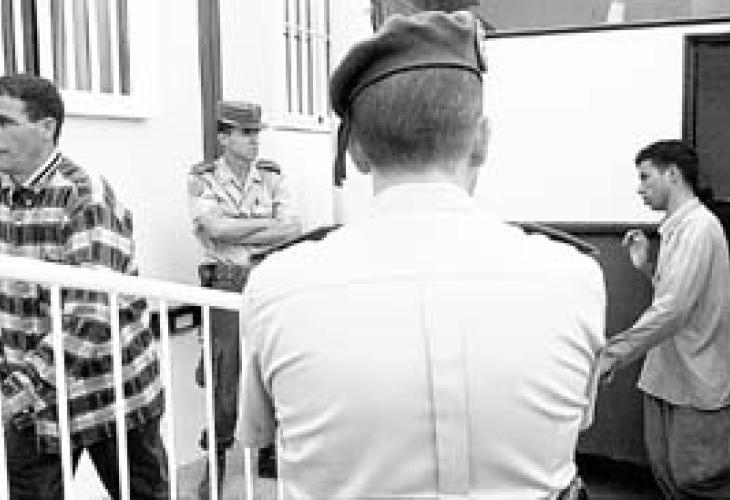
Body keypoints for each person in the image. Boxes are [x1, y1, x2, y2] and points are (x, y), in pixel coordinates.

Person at [240, 11, 606, 499]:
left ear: (357, 151)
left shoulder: (276, 286)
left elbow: (258, 432)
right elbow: (580, 418)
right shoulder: (574, 279)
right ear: (481, 141)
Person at [0, 73, 168, 499]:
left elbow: (91, 314)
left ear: (47, 127)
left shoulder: (85, 195)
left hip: (110, 397)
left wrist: (17, 392)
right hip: (34, 410)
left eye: (4, 122)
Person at [598, 140, 730, 499]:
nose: (639, 189)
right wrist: (646, 267)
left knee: (694, 479)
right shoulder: (676, 228)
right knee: (666, 473)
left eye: (645, 177)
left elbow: (674, 309)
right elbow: (677, 297)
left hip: (696, 379)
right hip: (666, 376)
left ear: (672, 174)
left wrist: (613, 354)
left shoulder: (700, 228)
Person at [187, 100, 301, 497]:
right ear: (224, 137)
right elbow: (214, 229)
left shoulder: (271, 176)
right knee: (225, 373)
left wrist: (238, 229)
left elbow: (293, 227)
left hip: (270, 279)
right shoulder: (202, 178)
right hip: (227, 281)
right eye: (246, 133)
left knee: (275, 361)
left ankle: (270, 449)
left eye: (256, 133)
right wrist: (266, 227)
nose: (255, 141)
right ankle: (216, 458)